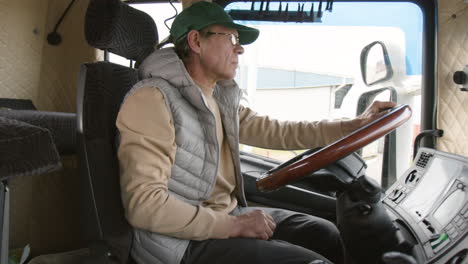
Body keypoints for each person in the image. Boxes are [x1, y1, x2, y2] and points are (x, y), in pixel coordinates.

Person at [116, 2, 396, 264]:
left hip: (224, 214)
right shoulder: (152, 100)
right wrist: (233, 225)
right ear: (196, 42)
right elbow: (144, 204)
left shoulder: (218, 98)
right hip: (177, 244)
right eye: (231, 39)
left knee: (324, 233)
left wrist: (355, 125)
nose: (240, 50)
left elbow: (281, 133)